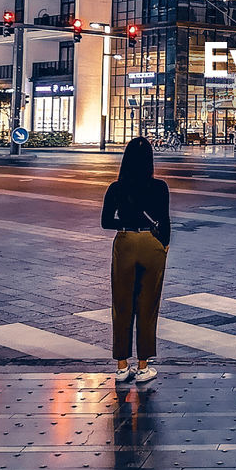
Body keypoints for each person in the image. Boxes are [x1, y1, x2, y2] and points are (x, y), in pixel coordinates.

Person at [101, 137, 170, 385]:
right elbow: (165, 219)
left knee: (121, 305)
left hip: (125, 242)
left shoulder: (116, 188)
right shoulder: (160, 187)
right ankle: (143, 366)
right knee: (148, 305)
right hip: (152, 244)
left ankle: (121, 366)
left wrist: (127, 224)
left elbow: (106, 222)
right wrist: (163, 244)